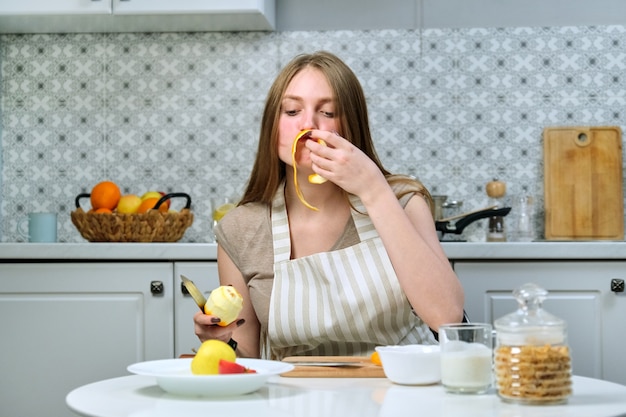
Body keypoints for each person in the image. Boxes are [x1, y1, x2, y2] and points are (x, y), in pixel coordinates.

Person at [194, 51, 464, 360]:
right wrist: (221, 342)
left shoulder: (402, 200)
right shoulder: (240, 229)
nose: (308, 125)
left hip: (398, 393)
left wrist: (373, 189)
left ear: (352, 127)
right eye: (292, 111)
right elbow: (247, 360)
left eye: (329, 112)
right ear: (272, 126)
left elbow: (448, 317)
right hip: (295, 401)